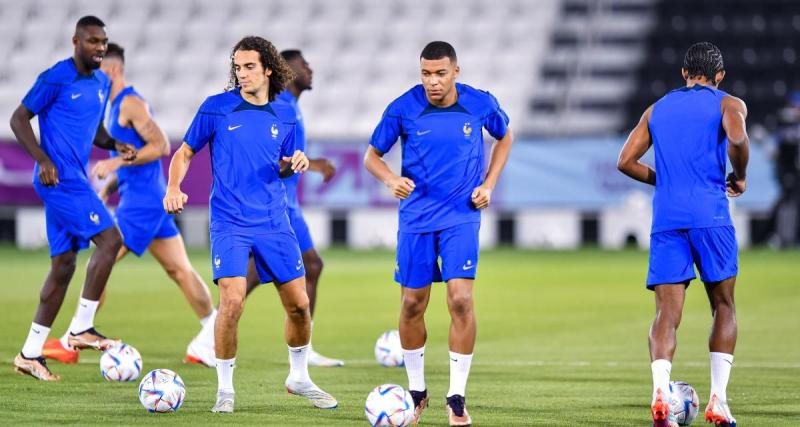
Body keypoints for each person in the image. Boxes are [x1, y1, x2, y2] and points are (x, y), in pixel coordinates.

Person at [163, 36, 337, 413]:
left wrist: (297, 162)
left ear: (268, 69)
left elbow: (279, 161)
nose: (241, 74)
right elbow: (185, 152)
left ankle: (299, 377)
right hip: (229, 222)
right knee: (232, 301)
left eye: (249, 67)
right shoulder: (217, 108)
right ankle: (225, 389)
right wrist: (174, 186)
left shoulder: (285, 113)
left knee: (299, 306)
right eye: (237, 67)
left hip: (274, 222)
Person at [40, 43, 218, 367]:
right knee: (179, 270)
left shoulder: (130, 102)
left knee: (102, 261)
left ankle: (70, 340)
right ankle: (212, 334)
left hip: (142, 204)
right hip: (147, 198)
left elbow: (162, 145)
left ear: (114, 69)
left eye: (98, 68)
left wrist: (117, 165)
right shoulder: (111, 106)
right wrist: (111, 182)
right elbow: (136, 152)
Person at [364, 41, 513, 426]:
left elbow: (505, 136)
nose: (433, 81)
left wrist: (489, 184)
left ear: (455, 72)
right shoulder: (403, 107)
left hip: (461, 216)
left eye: (440, 73)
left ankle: (457, 397)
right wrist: (390, 179)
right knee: (413, 303)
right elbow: (371, 157)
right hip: (415, 219)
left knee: (461, 300)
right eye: (426, 73)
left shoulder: (479, 103)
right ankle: (416, 392)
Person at [617, 42, 749, 427]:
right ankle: (718, 401)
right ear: (719, 75)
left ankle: (660, 390)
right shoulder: (729, 103)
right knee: (723, 306)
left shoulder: (657, 108)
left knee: (665, 314)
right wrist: (739, 176)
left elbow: (625, 161)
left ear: (683, 73)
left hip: (667, 220)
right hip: (711, 217)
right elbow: (738, 140)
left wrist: (666, 180)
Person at [8, 16, 137, 381]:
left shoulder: (100, 82)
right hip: (58, 179)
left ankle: (29, 354)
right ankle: (81, 327)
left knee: (63, 265)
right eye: (93, 41)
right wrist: (43, 158)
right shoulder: (56, 76)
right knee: (111, 240)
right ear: (76, 41)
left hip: (74, 178)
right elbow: (19, 119)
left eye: (103, 42)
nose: (100, 48)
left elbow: (94, 130)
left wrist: (114, 143)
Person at [243, 49, 342, 367]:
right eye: (304, 65)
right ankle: (209, 336)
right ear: (286, 69)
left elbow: (286, 159)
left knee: (304, 267)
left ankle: (304, 347)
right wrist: (311, 164)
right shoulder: (280, 107)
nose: (310, 69)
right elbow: (274, 160)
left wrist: (312, 164)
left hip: (288, 203)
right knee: (269, 270)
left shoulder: (292, 107)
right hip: (280, 205)